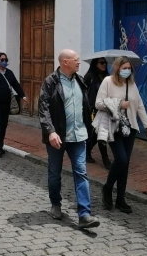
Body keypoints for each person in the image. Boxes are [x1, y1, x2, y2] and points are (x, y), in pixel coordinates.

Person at [38, 49, 101, 229]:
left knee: (81, 172)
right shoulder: (51, 82)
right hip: (57, 137)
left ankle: (84, 214)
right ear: (65, 62)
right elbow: (43, 109)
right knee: (54, 172)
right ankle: (56, 203)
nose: (79, 63)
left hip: (79, 135)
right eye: (76, 60)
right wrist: (50, 131)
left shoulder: (80, 81)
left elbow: (85, 106)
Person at [95, 56, 147, 214]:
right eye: (124, 68)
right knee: (121, 159)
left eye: (129, 68)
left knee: (125, 163)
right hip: (114, 126)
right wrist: (118, 103)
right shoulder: (108, 81)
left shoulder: (132, 84)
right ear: (117, 68)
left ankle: (121, 198)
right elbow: (98, 103)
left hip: (131, 128)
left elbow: (140, 105)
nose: (127, 71)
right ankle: (108, 188)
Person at [83, 58, 113, 170]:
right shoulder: (90, 77)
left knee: (96, 135)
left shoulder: (108, 77)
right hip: (93, 110)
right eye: (101, 63)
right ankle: (105, 160)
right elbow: (83, 93)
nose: (104, 65)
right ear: (95, 64)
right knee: (101, 134)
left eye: (105, 62)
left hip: (106, 109)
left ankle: (87, 150)